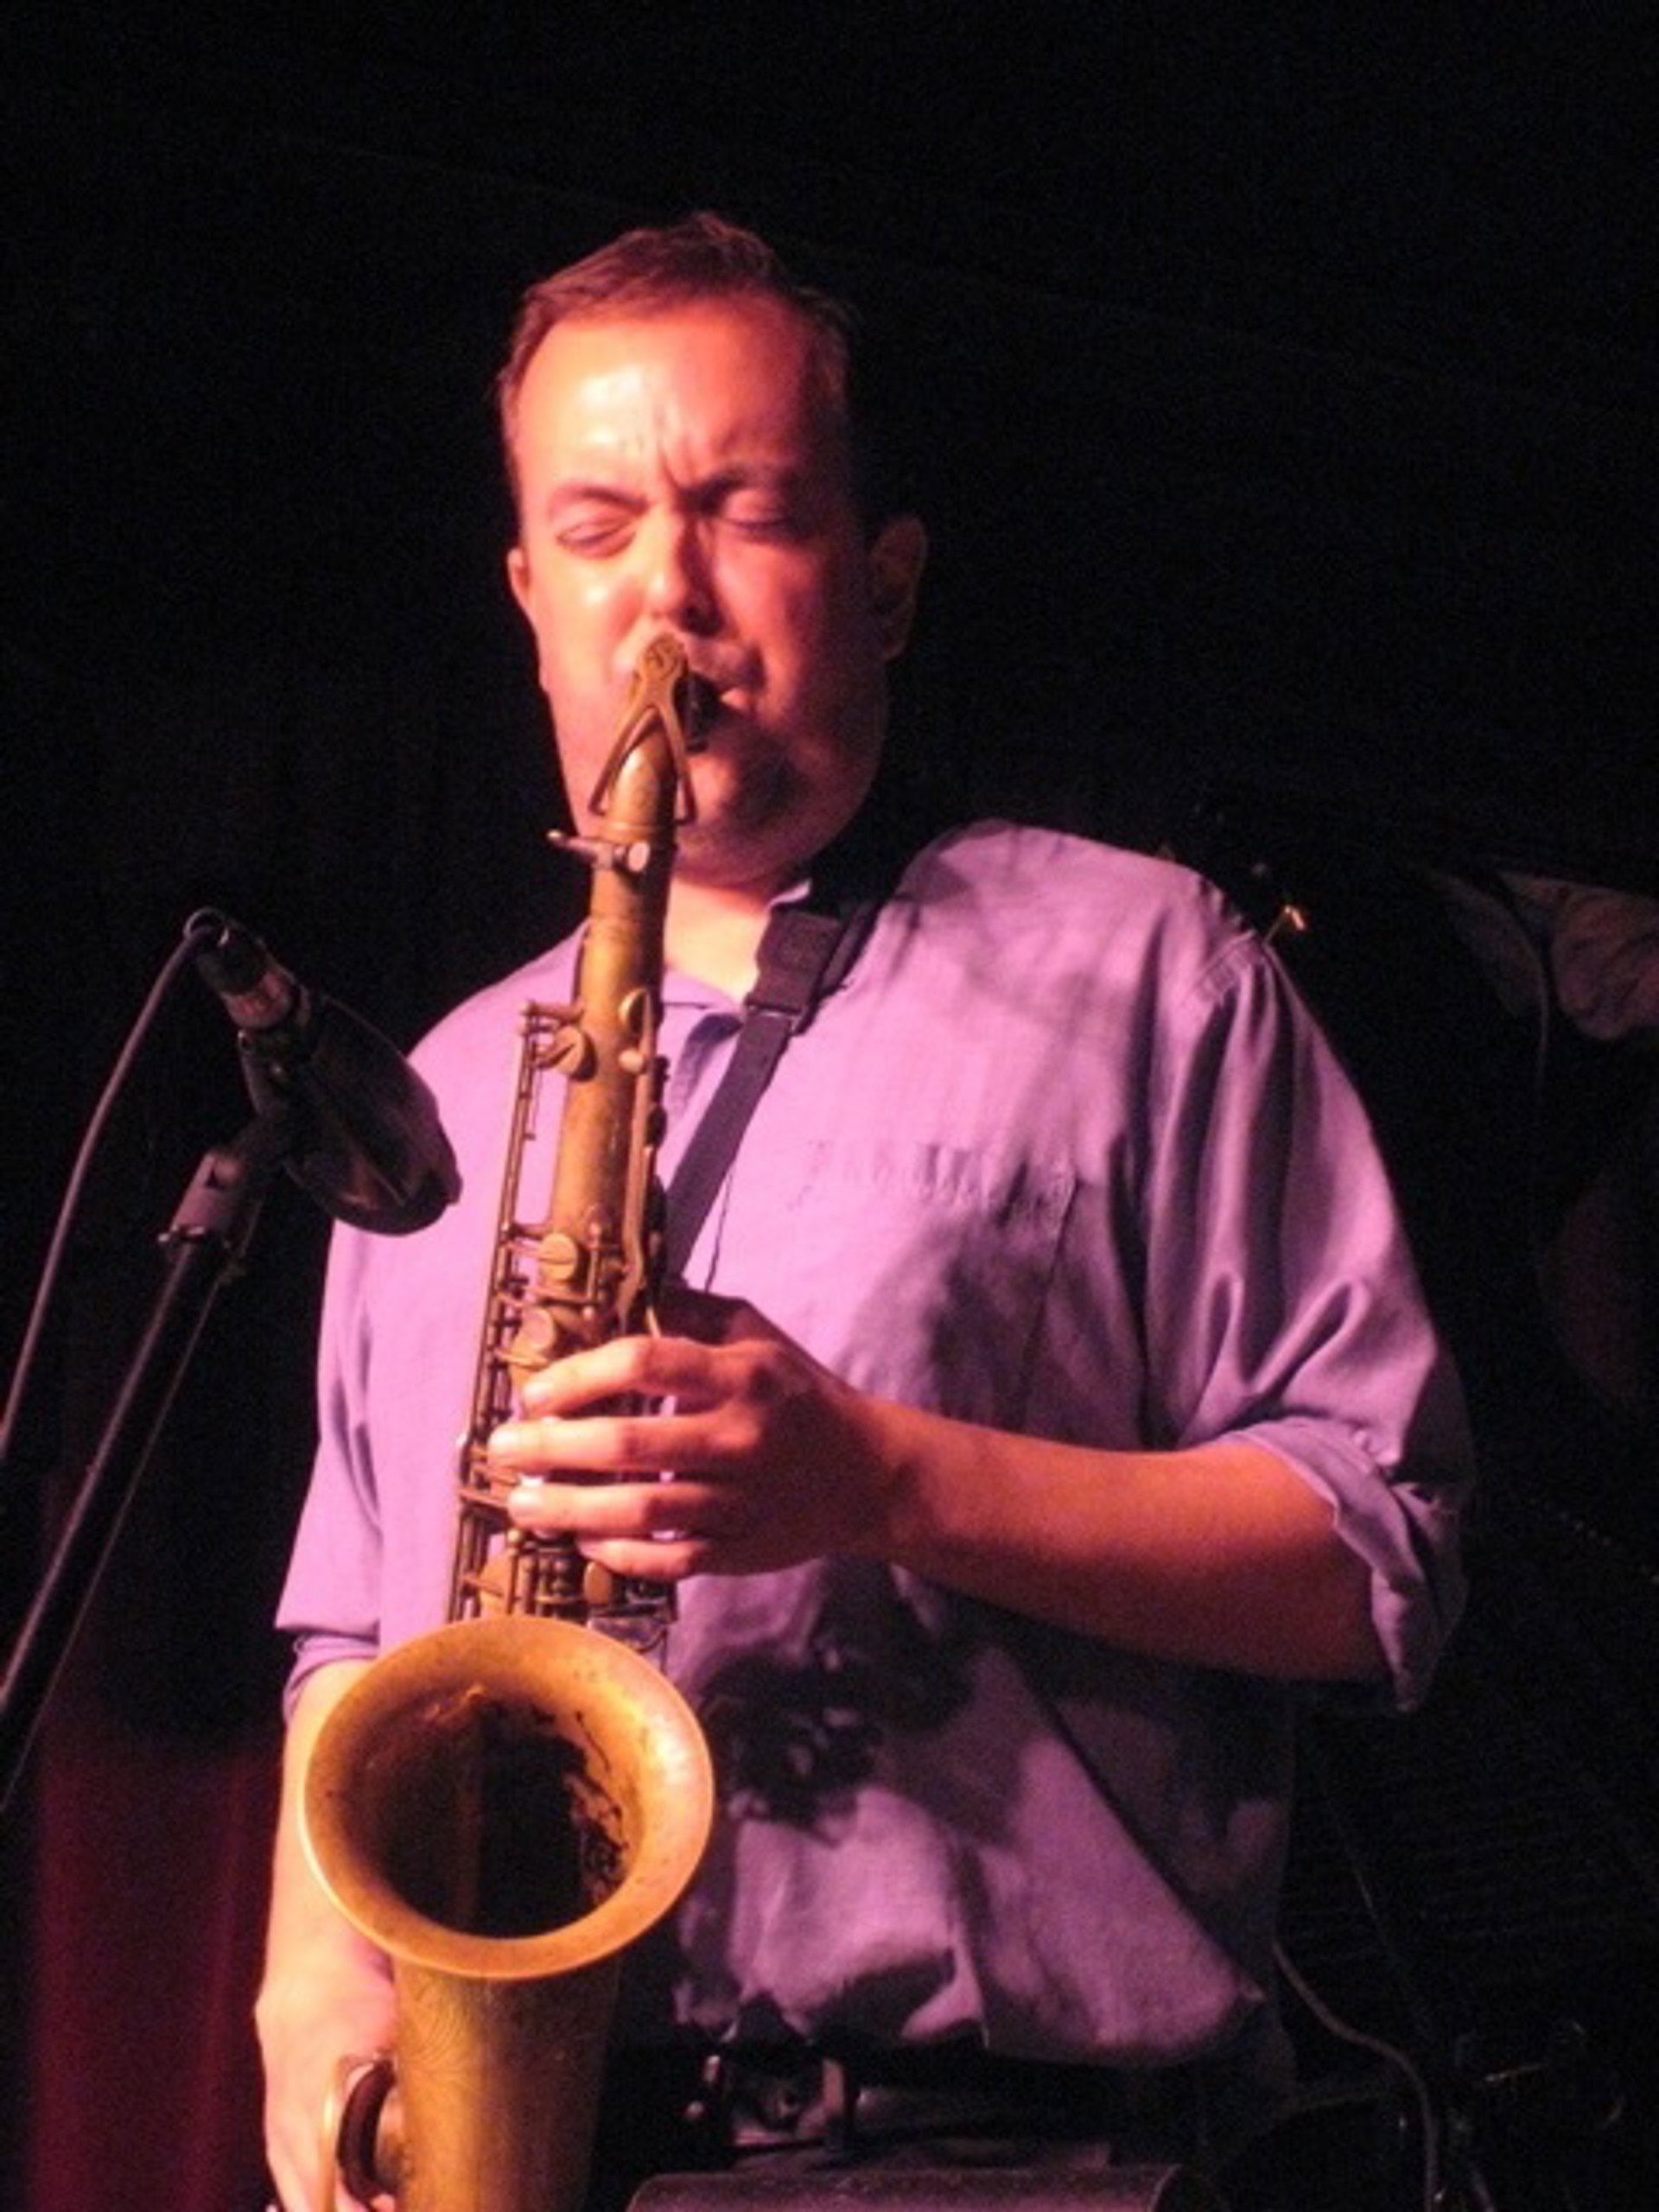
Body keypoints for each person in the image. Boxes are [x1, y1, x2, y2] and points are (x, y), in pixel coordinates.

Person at [256, 213, 1471, 2210]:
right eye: (596, 529)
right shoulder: (449, 1085)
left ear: (885, 583)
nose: (666, 595)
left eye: (743, 512)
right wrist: (315, 1999)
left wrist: (877, 1476)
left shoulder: (1148, 970)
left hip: (999, 2152)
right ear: (529, 599)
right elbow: (348, 1638)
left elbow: (1378, 1553)